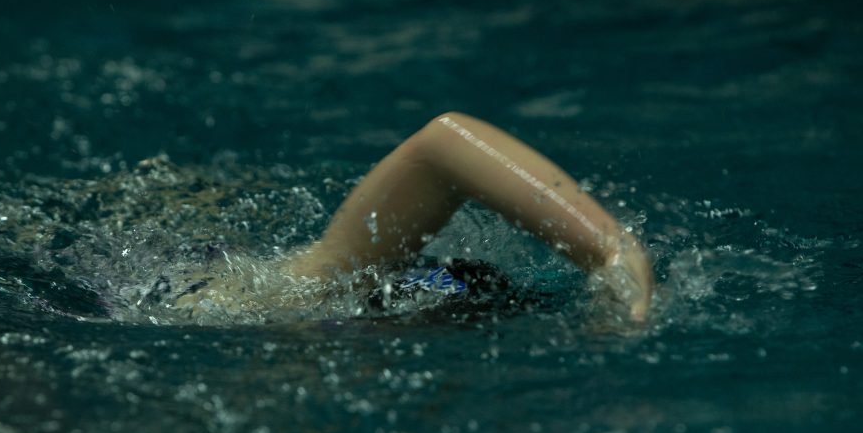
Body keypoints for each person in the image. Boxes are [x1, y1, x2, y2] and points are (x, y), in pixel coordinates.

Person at [175, 111, 653, 322]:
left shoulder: (313, 295)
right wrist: (609, 249)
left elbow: (443, 145)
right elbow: (442, 147)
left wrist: (610, 252)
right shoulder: (294, 299)